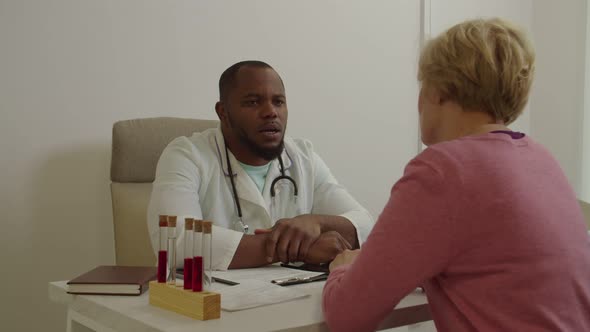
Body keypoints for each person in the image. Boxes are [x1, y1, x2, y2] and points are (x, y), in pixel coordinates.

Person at [322, 18, 590, 332]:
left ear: (438, 91)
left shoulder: (442, 171)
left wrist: (341, 270)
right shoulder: (541, 161)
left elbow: (346, 315)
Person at [147, 60, 373, 271]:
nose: (270, 112)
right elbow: (176, 240)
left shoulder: (303, 156)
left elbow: (366, 225)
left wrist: (315, 223)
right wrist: (296, 247)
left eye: (278, 101)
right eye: (253, 102)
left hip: (293, 298)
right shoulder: (187, 154)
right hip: (214, 304)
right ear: (223, 112)